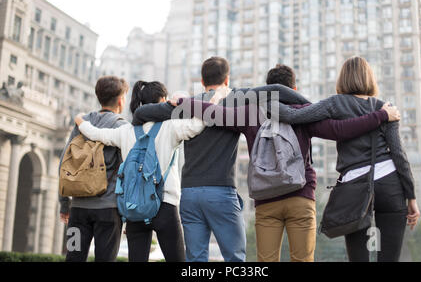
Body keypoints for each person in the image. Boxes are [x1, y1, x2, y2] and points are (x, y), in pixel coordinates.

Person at [173, 64, 400, 262]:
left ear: (266, 89)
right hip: (300, 196)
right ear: (294, 89)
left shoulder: (252, 112)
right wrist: (380, 115)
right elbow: (340, 130)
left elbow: (214, 113)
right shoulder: (304, 112)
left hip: (266, 199)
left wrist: (182, 103)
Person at [131, 57, 311, 262]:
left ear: (201, 80)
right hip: (221, 192)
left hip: (189, 194)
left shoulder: (188, 105)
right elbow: (279, 89)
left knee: (196, 260)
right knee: (235, 258)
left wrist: (166, 108)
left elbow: (141, 113)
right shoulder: (237, 97)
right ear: (227, 79)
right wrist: (313, 108)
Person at [274, 56, 421, 262]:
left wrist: (263, 103)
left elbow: (293, 116)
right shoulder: (385, 108)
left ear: (342, 79)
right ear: (370, 78)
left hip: (354, 186)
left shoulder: (335, 104)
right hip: (391, 184)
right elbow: (398, 154)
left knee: (358, 258)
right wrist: (411, 197)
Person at [73, 81, 223, 262]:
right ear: (162, 101)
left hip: (134, 208)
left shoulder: (125, 131)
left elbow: (97, 134)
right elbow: (199, 124)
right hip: (165, 206)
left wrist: (80, 121)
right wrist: (213, 101)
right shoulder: (171, 127)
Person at [59, 76, 129, 262]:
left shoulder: (81, 124)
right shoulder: (122, 126)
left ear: (99, 96)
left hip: (78, 211)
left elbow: (64, 162)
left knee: (73, 257)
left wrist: (65, 204)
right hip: (109, 211)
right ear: (121, 100)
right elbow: (128, 172)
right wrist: (129, 214)